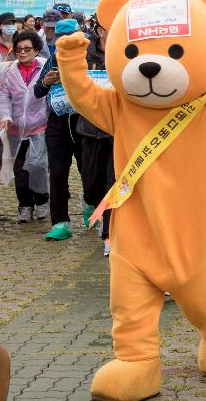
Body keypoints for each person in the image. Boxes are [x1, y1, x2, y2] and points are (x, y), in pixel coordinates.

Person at [33, 17, 83, 242]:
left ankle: (92, 203)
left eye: (71, 39)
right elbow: (37, 91)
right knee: (58, 172)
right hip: (57, 123)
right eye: (62, 41)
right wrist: (46, 81)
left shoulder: (90, 58)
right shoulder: (52, 60)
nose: (66, 45)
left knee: (90, 171)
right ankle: (61, 222)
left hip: (86, 123)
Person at [0, 29, 50, 222]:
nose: (23, 53)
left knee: (38, 166)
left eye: (27, 49)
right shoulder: (10, 71)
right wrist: (4, 115)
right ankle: (25, 205)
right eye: (19, 49)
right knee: (20, 170)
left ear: (36, 50)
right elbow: (2, 96)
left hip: (39, 126)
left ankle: (42, 201)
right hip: (16, 129)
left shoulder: (45, 69)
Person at [76, 17, 115, 257]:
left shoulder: (126, 54)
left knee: (114, 181)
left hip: (115, 130)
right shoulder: (86, 54)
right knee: (91, 183)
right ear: (100, 30)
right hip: (89, 128)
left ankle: (109, 234)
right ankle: (92, 202)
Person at [0, 12, 17, 85]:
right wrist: (9, 65)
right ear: (0, 26)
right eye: (7, 24)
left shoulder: (19, 43)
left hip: (16, 85)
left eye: (13, 23)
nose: (11, 26)